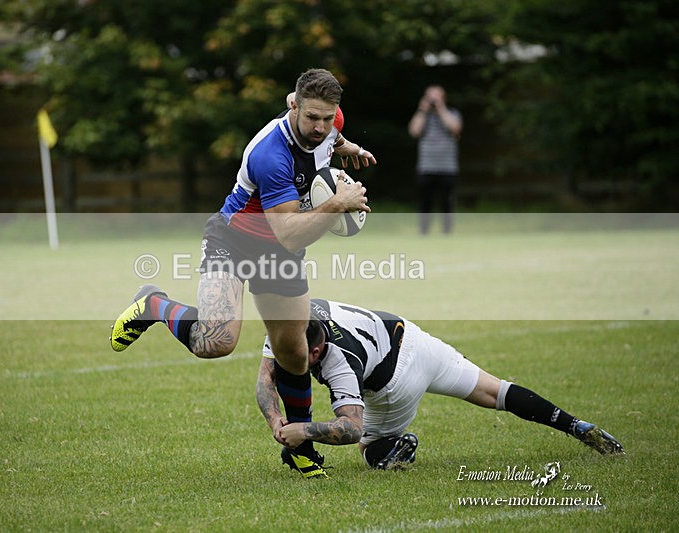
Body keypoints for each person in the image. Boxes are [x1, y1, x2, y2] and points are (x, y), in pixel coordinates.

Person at [110, 69, 377, 478]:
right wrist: (338, 203)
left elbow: (333, 139)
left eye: (328, 118)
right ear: (293, 104)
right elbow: (287, 234)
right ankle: (152, 304)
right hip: (234, 241)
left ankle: (300, 449)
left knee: (293, 351)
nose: (321, 127)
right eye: (312, 119)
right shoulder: (271, 154)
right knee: (215, 342)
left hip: (280, 248)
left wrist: (348, 147)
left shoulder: (328, 125)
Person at [256, 298, 625, 477]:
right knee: (494, 391)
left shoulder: (338, 361)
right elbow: (265, 379)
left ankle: (392, 450)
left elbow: (350, 428)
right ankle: (576, 425)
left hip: (394, 382)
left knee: (368, 445)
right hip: (415, 338)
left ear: (316, 348)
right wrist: (274, 418)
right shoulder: (291, 323)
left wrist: (302, 429)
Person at [408, 85, 462, 234]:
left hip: (448, 167)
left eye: (436, 97)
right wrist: (422, 110)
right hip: (426, 166)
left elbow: (455, 128)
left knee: (447, 202)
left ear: (444, 98)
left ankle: (447, 231)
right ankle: (424, 231)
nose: (433, 100)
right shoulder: (423, 116)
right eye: (430, 97)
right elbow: (414, 131)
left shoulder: (452, 113)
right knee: (425, 202)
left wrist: (441, 108)